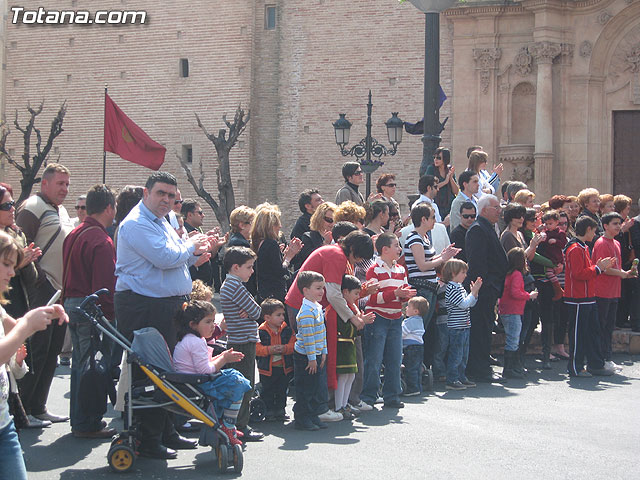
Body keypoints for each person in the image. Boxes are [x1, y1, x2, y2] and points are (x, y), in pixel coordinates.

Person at [114, 171, 211, 459]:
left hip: (165, 304)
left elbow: (174, 258)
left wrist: (195, 255)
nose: (166, 200)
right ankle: (148, 438)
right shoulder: (135, 224)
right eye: (160, 194)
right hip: (144, 305)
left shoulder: (162, 221)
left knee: (170, 369)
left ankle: (167, 430)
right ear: (146, 193)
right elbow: (166, 257)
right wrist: (190, 247)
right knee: (151, 372)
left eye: (171, 195)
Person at [0, 230, 69, 480]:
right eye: (6, 264)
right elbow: (19, 330)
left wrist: (44, 313)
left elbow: (12, 326)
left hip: (4, 425)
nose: (12, 272)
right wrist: (28, 325)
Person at [16, 163, 74, 425]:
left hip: (59, 293)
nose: (64, 189)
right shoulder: (31, 208)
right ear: (45, 184)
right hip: (42, 292)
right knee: (36, 351)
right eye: (60, 183)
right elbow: (19, 249)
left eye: (67, 184)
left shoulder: (59, 210)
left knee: (51, 353)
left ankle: (39, 406)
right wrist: (40, 281)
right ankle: (25, 409)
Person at [62, 184, 118, 439]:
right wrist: (110, 315)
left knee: (80, 365)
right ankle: (87, 422)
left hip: (72, 304)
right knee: (91, 368)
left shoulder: (75, 233)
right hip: (90, 308)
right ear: (108, 208)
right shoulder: (101, 240)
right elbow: (104, 286)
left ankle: (80, 419)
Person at [172, 300, 250, 446]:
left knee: (235, 377)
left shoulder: (193, 339)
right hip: (196, 383)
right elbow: (205, 370)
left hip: (194, 380)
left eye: (213, 321)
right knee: (237, 382)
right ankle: (227, 424)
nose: (213, 325)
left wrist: (221, 357)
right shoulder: (195, 342)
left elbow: (204, 363)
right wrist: (224, 359)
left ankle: (226, 423)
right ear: (193, 325)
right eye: (208, 322)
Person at [361, 233, 416, 409]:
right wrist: (396, 294)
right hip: (378, 319)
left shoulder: (401, 269)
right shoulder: (374, 269)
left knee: (394, 359)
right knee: (374, 359)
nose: (399, 249)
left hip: (395, 318)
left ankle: (392, 396)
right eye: (396, 246)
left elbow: (402, 292)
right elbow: (372, 298)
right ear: (385, 249)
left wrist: (404, 296)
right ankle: (369, 396)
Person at [404, 203, 459, 367]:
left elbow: (429, 262)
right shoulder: (414, 238)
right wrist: (443, 258)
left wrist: (443, 255)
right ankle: (414, 365)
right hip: (422, 288)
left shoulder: (424, 238)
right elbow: (422, 265)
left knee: (425, 329)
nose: (435, 221)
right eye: (433, 217)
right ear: (423, 219)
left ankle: (420, 365)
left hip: (429, 287)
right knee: (419, 329)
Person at [219, 246, 264, 441]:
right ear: (235, 268)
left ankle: (236, 423)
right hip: (242, 340)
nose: (252, 271)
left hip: (239, 338)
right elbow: (256, 312)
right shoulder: (235, 286)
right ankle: (240, 425)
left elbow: (253, 310)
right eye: (249, 267)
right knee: (244, 385)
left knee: (242, 383)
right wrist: (251, 310)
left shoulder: (231, 285)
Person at [564, 216, 616, 377]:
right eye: (594, 230)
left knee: (593, 333)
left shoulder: (583, 247)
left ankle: (595, 364)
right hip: (578, 299)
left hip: (588, 297)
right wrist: (598, 268)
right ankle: (575, 367)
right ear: (588, 229)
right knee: (578, 335)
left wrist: (598, 267)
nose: (595, 234)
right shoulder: (575, 248)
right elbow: (579, 274)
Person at [464, 195, 508, 383]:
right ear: (484, 210)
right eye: (495, 207)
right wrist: (487, 285)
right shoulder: (478, 230)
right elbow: (477, 263)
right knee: (480, 330)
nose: (499, 210)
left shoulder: (486, 228)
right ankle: (479, 369)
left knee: (485, 328)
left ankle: (482, 365)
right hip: (483, 289)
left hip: (490, 288)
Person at [592, 212, 636, 370]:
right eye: (614, 223)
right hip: (602, 291)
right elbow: (605, 269)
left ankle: (607, 358)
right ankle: (599, 360)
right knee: (601, 327)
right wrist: (623, 274)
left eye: (619, 223)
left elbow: (614, 268)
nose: (618, 226)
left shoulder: (616, 243)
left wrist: (627, 272)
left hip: (613, 291)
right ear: (605, 226)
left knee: (608, 327)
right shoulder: (602, 243)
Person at [331, 275, 373, 419]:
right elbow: (344, 328)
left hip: (350, 344)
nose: (357, 297)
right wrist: (361, 321)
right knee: (343, 377)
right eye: (355, 293)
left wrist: (361, 321)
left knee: (351, 376)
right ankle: (339, 406)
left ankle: (345, 403)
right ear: (345, 292)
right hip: (342, 345)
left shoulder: (351, 306)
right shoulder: (341, 307)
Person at [293, 271, 329, 431]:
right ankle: (302, 417)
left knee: (315, 387)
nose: (321, 291)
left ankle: (312, 415)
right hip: (306, 356)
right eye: (318, 288)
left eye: (322, 288)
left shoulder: (317, 307)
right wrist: (312, 358)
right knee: (305, 388)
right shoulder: (307, 312)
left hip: (316, 353)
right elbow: (308, 338)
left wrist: (324, 351)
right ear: (306, 290)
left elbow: (321, 332)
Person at [499, 248, 539, 378]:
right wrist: (529, 295)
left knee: (512, 338)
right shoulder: (516, 274)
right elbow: (515, 293)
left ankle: (512, 367)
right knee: (513, 339)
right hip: (513, 310)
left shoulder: (508, 273)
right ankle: (509, 369)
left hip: (506, 309)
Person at [442, 258, 481, 390]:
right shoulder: (451, 288)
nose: (465, 275)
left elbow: (471, 303)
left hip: (464, 325)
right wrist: (473, 293)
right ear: (453, 273)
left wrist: (474, 294)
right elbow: (464, 304)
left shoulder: (459, 287)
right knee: (456, 354)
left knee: (464, 354)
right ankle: (452, 379)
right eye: (462, 272)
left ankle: (461, 377)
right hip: (456, 327)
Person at [251, 203, 302, 303]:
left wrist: (284, 255)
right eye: (276, 223)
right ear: (269, 226)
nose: (280, 226)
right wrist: (289, 257)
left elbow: (271, 267)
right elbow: (279, 271)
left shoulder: (258, 243)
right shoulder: (271, 244)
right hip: (275, 294)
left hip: (263, 292)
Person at [256, 298, 295, 421]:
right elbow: (257, 349)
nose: (282, 317)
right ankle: (268, 410)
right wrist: (269, 350)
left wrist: (285, 348)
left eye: (283, 314)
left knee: (282, 389)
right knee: (267, 389)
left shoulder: (287, 330)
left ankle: (280, 410)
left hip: (283, 367)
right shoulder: (261, 332)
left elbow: (294, 345)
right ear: (267, 318)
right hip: (267, 369)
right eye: (278, 315)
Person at [292, 201, 336, 271]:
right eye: (329, 220)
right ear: (319, 219)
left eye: (335, 220)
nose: (332, 224)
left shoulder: (338, 237)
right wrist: (325, 244)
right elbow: (310, 258)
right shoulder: (308, 237)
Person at [181, 199, 213, 285]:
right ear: (190, 215)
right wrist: (195, 265)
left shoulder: (196, 232)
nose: (203, 215)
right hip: (190, 283)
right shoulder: (185, 234)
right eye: (200, 213)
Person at [401, 296, 429, 396]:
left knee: (410, 368)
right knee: (416, 368)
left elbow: (402, 333)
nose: (406, 308)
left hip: (410, 347)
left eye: (408, 307)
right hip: (419, 346)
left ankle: (412, 388)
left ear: (416, 311)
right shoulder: (419, 320)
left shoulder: (410, 321)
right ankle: (418, 385)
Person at [537, 210, 567, 301]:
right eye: (546, 224)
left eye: (550, 224)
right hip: (548, 256)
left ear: (557, 222)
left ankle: (558, 289)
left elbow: (563, 243)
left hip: (556, 257)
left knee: (550, 273)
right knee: (549, 272)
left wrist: (556, 241)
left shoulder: (560, 233)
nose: (548, 226)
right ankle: (557, 289)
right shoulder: (546, 232)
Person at [425, 147, 458, 218]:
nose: (435, 160)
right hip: (437, 204)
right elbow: (428, 187)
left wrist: (450, 178)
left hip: (449, 205)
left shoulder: (449, 169)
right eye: (434, 157)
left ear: (445, 159)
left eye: (439, 158)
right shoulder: (431, 169)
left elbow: (456, 191)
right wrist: (445, 182)